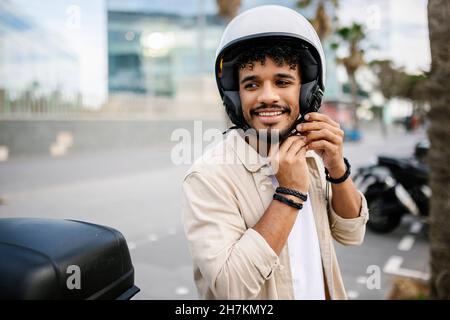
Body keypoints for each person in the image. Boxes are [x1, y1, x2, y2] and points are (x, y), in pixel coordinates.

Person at [182, 5, 369, 300]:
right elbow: (231, 289)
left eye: (282, 82)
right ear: (235, 95)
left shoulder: (311, 155)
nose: (268, 96)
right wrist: (290, 192)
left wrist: (336, 167)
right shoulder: (209, 176)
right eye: (252, 84)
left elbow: (352, 234)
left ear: (306, 92)